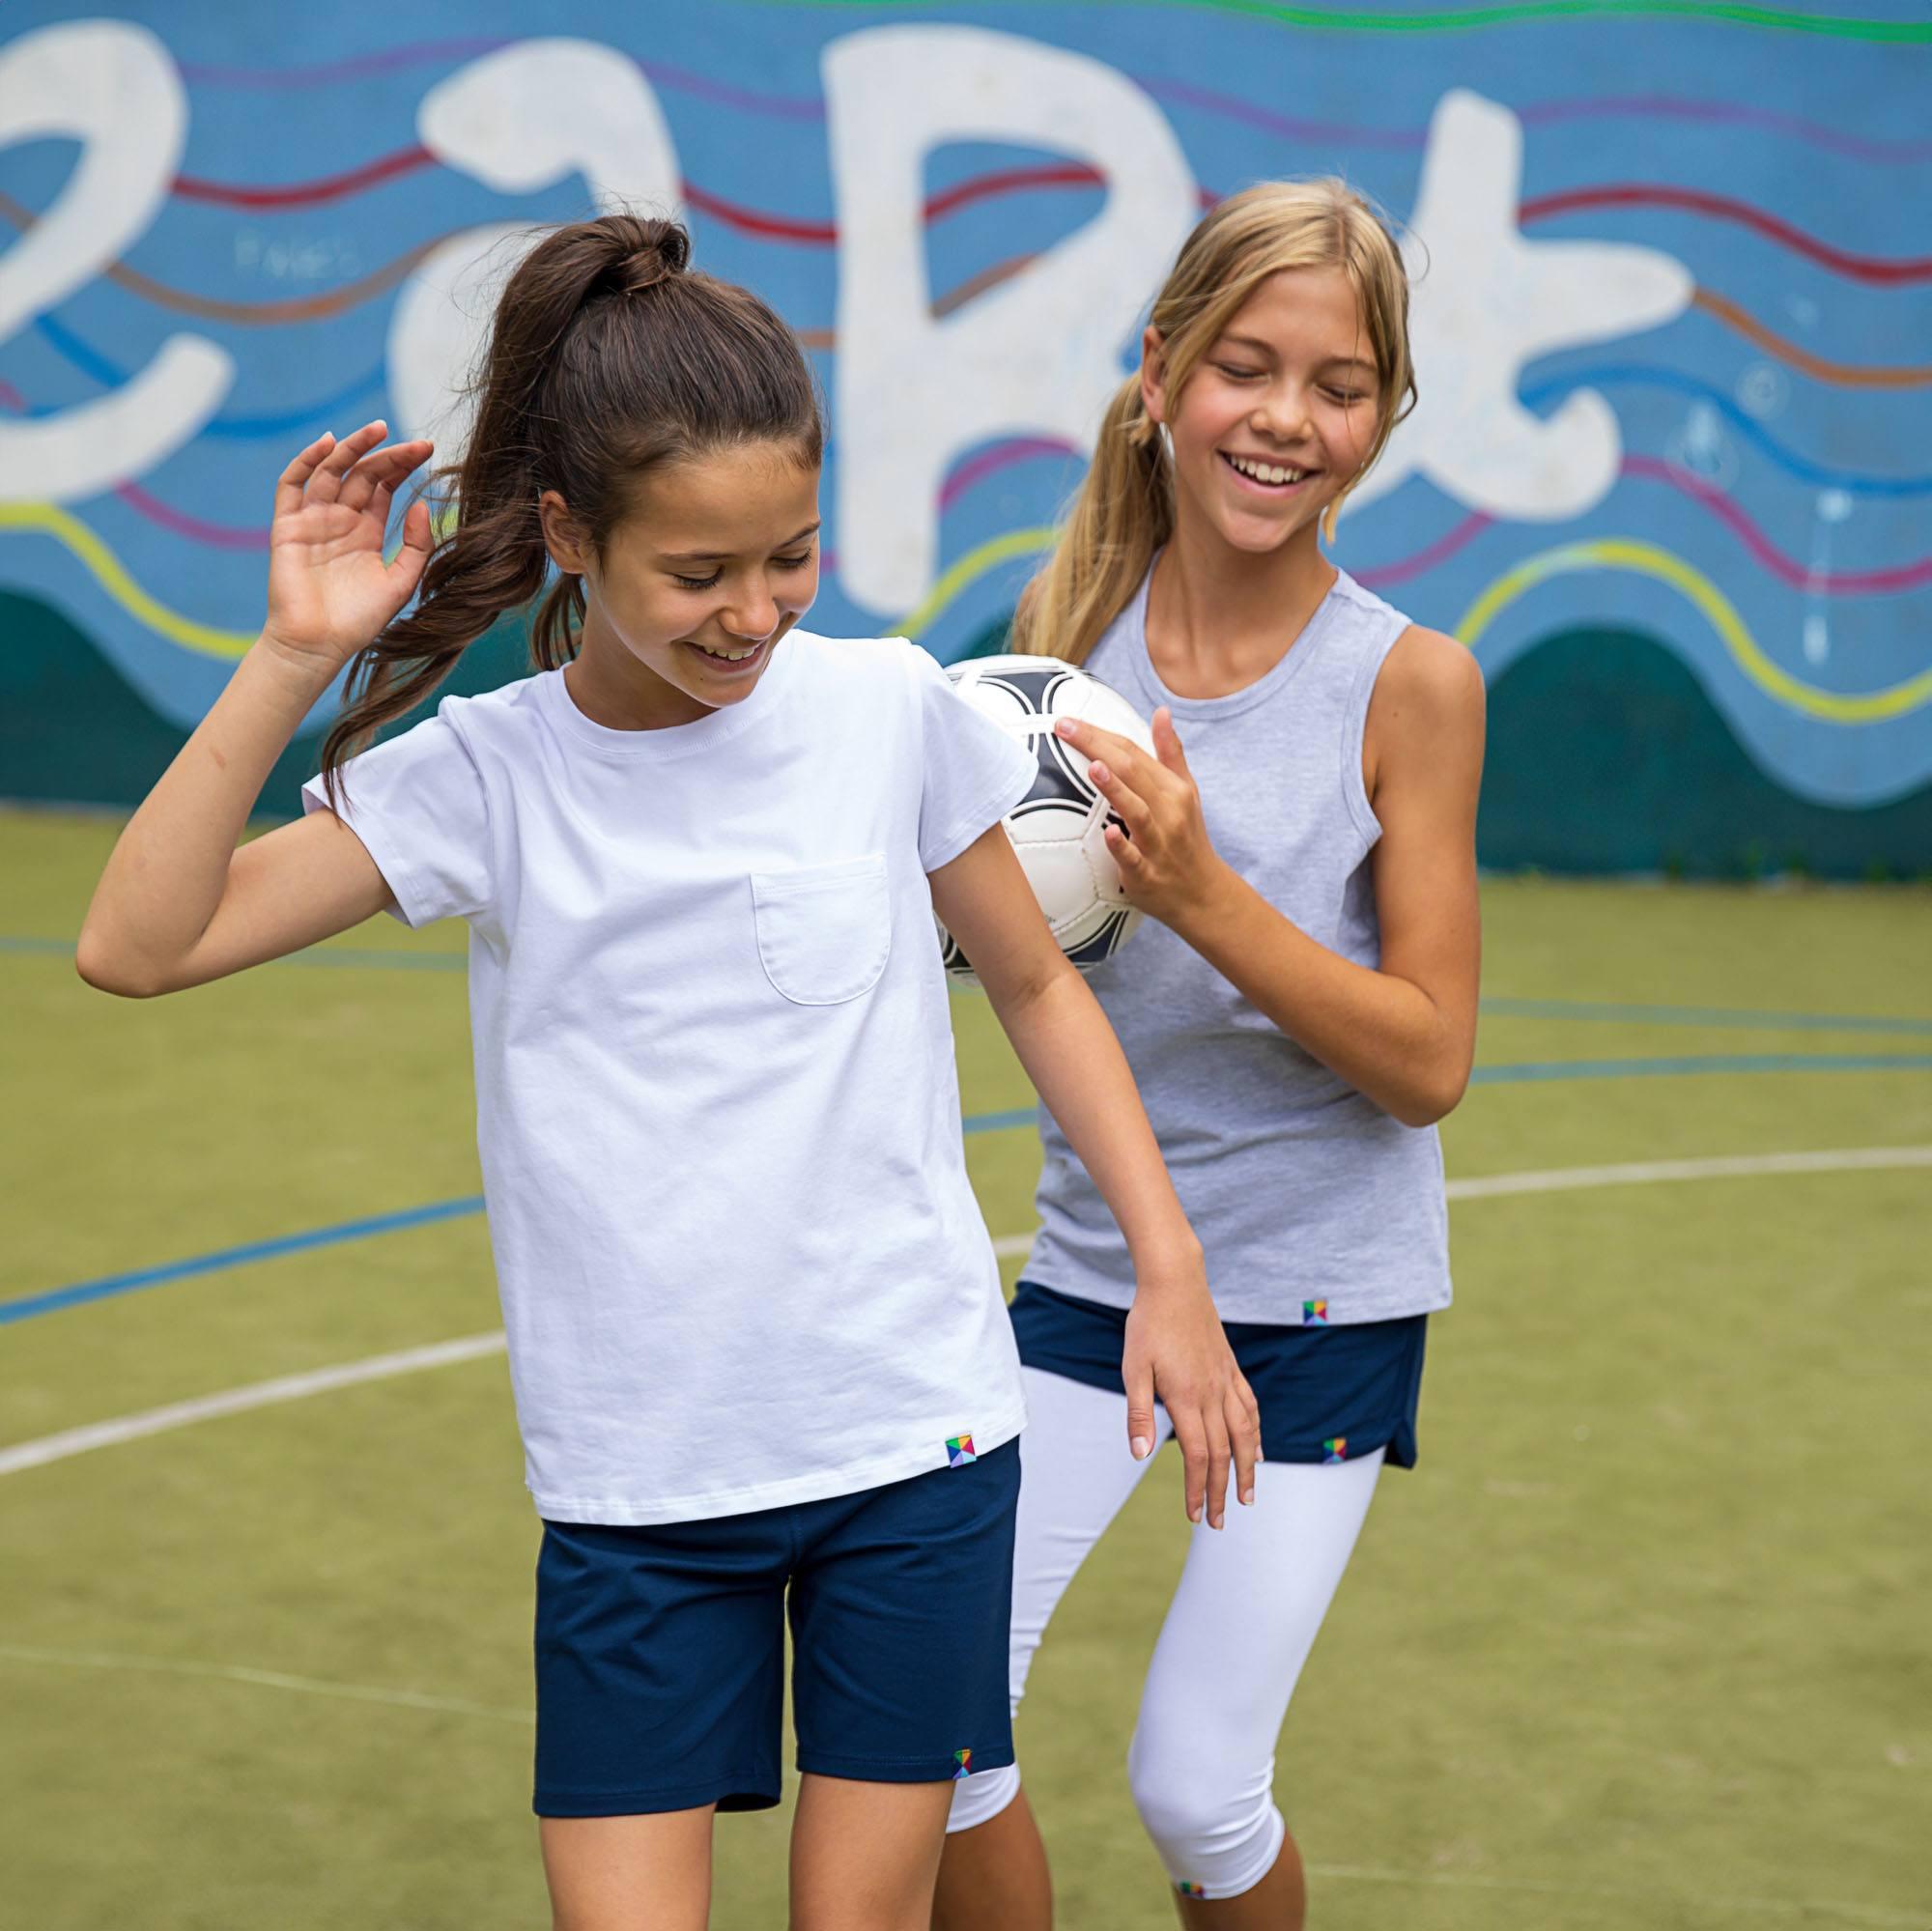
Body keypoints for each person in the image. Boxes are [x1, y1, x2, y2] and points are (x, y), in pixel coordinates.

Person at [75, 213, 1261, 1931]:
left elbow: (1035, 982)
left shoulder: (887, 709)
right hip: (639, 1494)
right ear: (569, 533)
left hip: (908, 1451)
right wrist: (294, 655)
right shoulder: (484, 774)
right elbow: (138, 942)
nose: (753, 613)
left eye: (788, 557)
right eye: (697, 574)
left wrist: (1170, 1266)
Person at [934, 180, 1485, 1930]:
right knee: (933, 1728)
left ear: (1383, 417)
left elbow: (1427, 1062)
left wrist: (1203, 894)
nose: (1287, 419)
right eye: (1248, 367)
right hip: (1098, 1276)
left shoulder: (1411, 683)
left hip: (1319, 1308)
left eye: (1338, 386)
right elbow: (1026, 977)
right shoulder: (1052, 660)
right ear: (1161, 371)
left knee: (1192, 1783)